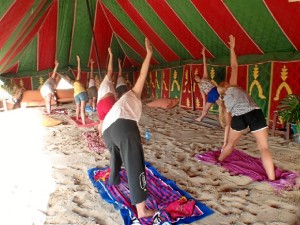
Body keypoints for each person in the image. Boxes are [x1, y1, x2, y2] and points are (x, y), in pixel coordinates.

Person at [101, 38, 156, 219]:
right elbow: (142, 75)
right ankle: (142, 210)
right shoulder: (133, 94)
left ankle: (114, 180)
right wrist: (148, 54)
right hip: (123, 126)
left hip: (107, 131)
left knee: (116, 154)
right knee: (135, 163)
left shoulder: (123, 101)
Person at [217, 35, 275, 180]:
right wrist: (232, 49)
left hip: (238, 117)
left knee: (231, 145)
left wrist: (225, 142)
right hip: (254, 112)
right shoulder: (233, 86)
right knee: (264, 148)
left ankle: (219, 161)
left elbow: (228, 124)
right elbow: (235, 66)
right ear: (227, 85)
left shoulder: (225, 102)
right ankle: (272, 178)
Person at [195, 47, 221, 123]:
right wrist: (203, 107)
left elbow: (205, 65)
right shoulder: (199, 86)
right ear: (196, 81)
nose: (196, 77)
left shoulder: (204, 77)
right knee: (206, 109)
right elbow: (203, 98)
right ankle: (200, 118)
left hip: (214, 91)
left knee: (221, 106)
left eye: (196, 76)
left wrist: (203, 55)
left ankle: (229, 118)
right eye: (195, 78)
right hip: (210, 95)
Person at [96, 47, 117, 139]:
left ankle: (100, 135)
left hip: (100, 105)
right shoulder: (106, 80)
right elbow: (110, 70)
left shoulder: (102, 87)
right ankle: (111, 138)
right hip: (107, 103)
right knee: (113, 123)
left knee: (101, 122)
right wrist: (111, 55)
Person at [73, 55, 88, 124]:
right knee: (82, 109)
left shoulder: (75, 83)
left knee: (78, 107)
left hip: (75, 94)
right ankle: (84, 122)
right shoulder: (78, 80)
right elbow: (79, 70)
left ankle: (77, 117)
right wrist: (78, 61)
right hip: (82, 93)